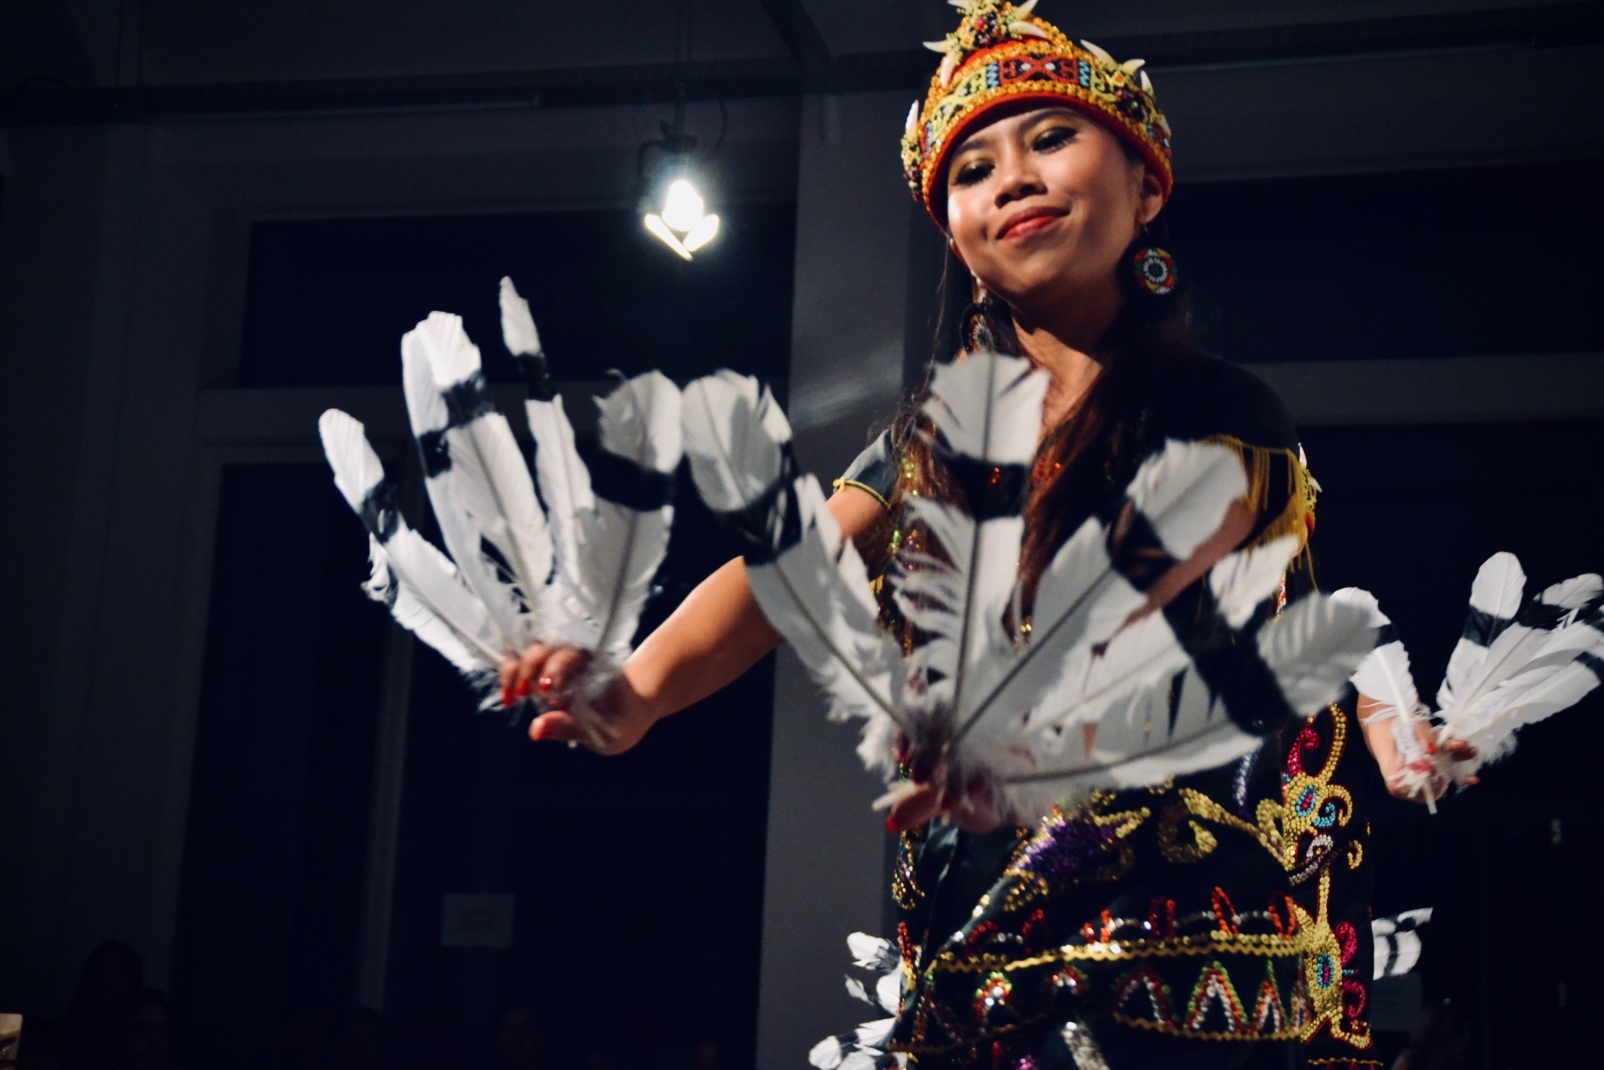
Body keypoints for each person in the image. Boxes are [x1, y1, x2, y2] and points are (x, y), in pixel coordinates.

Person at [500, 2, 1472, 1066]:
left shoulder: (1221, 410)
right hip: (980, 935)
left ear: (1146, 188)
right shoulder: (931, 448)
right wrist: (637, 691)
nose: (1011, 178)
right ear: (960, 244)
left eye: (1050, 138)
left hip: (1177, 942)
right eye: (972, 169)